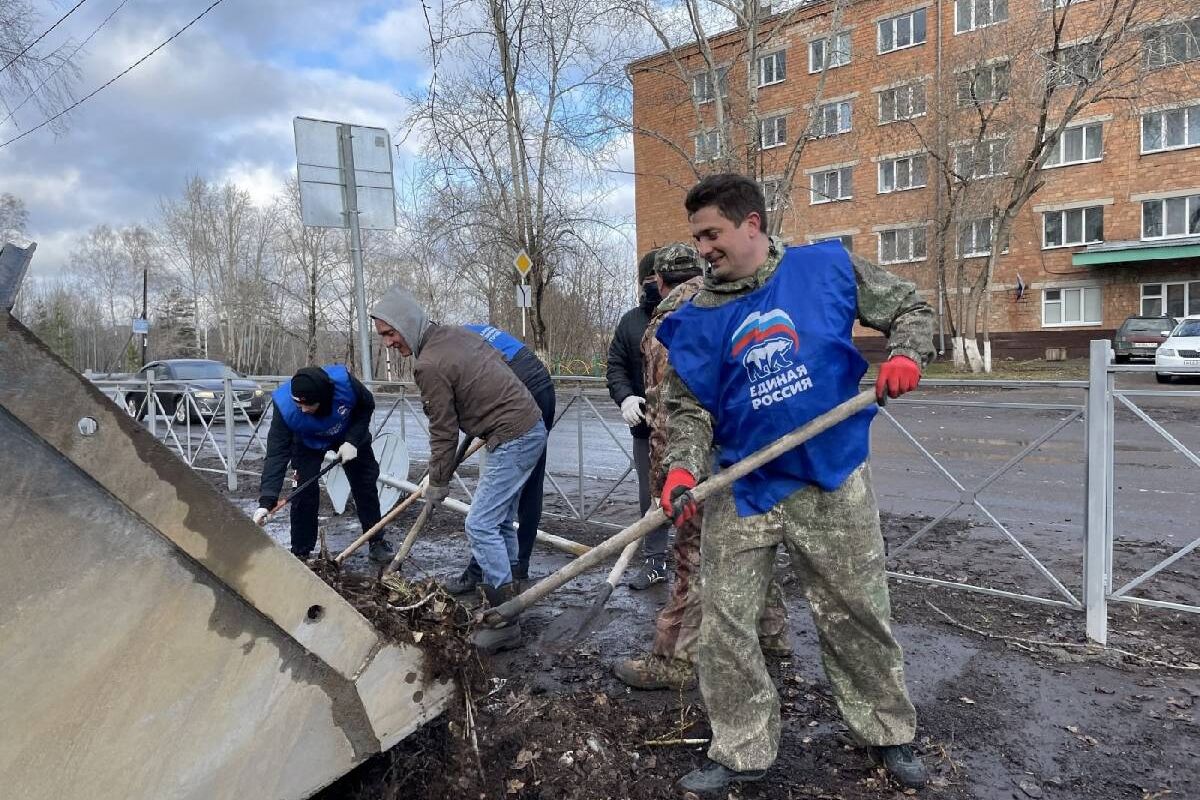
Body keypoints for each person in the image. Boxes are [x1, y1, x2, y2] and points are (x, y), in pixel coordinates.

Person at [656, 174, 935, 793]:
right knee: (726, 623)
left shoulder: (826, 269)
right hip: (741, 486)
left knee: (856, 611)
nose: (702, 248)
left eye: (712, 234)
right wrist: (681, 466)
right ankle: (741, 748)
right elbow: (688, 409)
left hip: (830, 474)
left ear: (751, 224)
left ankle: (887, 733)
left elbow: (912, 306)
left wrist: (907, 352)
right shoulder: (694, 318)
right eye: (697, 237)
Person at [612, 242, 790, 692]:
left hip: (699, 464)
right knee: (756, 542)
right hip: (753, 454)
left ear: (658, 281)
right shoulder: (734, 303)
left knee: (692, 555)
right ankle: (771, 638)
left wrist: (665, 482)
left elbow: (669, 416)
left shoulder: (671, 323)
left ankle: (674, 659)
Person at [370, 285, 547, 654]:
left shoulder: (428, 364)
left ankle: (504, 620)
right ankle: (511, 588)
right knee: (498, 521)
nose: (388, 343)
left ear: (406, 323)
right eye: (382, 336)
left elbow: (443, 431)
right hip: (526, 424)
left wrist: (437, 482)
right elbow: (495, 361)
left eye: (390, 333)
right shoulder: (453, 335)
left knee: (480, 524)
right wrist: (481, 409)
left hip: (512, 434)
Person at [444, 323, 555, 593]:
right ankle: (515, 567)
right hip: (540, 387)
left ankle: (485, 571)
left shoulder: (450, 346)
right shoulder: (465, 334)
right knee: (519, 487)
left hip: (523, 393)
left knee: (498, 499)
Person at [254, 365, 390, 563]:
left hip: (346, 434)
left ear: (324, 398)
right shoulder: (285, 407)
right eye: (298, 404)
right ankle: (301, 552)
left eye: (308, 405)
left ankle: (376, 541)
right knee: (303, 491)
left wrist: (352, 440)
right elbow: (277, 453)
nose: (303, 409)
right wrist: (267, 500)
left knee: (365, 483)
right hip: (306, 441)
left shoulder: (346, 386)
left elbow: (366, 407)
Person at [605, 249, 670, 589]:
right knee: (652, 496)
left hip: (690, 427)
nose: (654, 289)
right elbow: (615, 365)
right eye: (648, 282)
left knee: (696, 495)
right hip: (646, 428)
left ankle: (701, 562)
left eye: (658, 281)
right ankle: (656, 560)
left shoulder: (691, 312)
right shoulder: (631, 322)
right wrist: (625, 395)